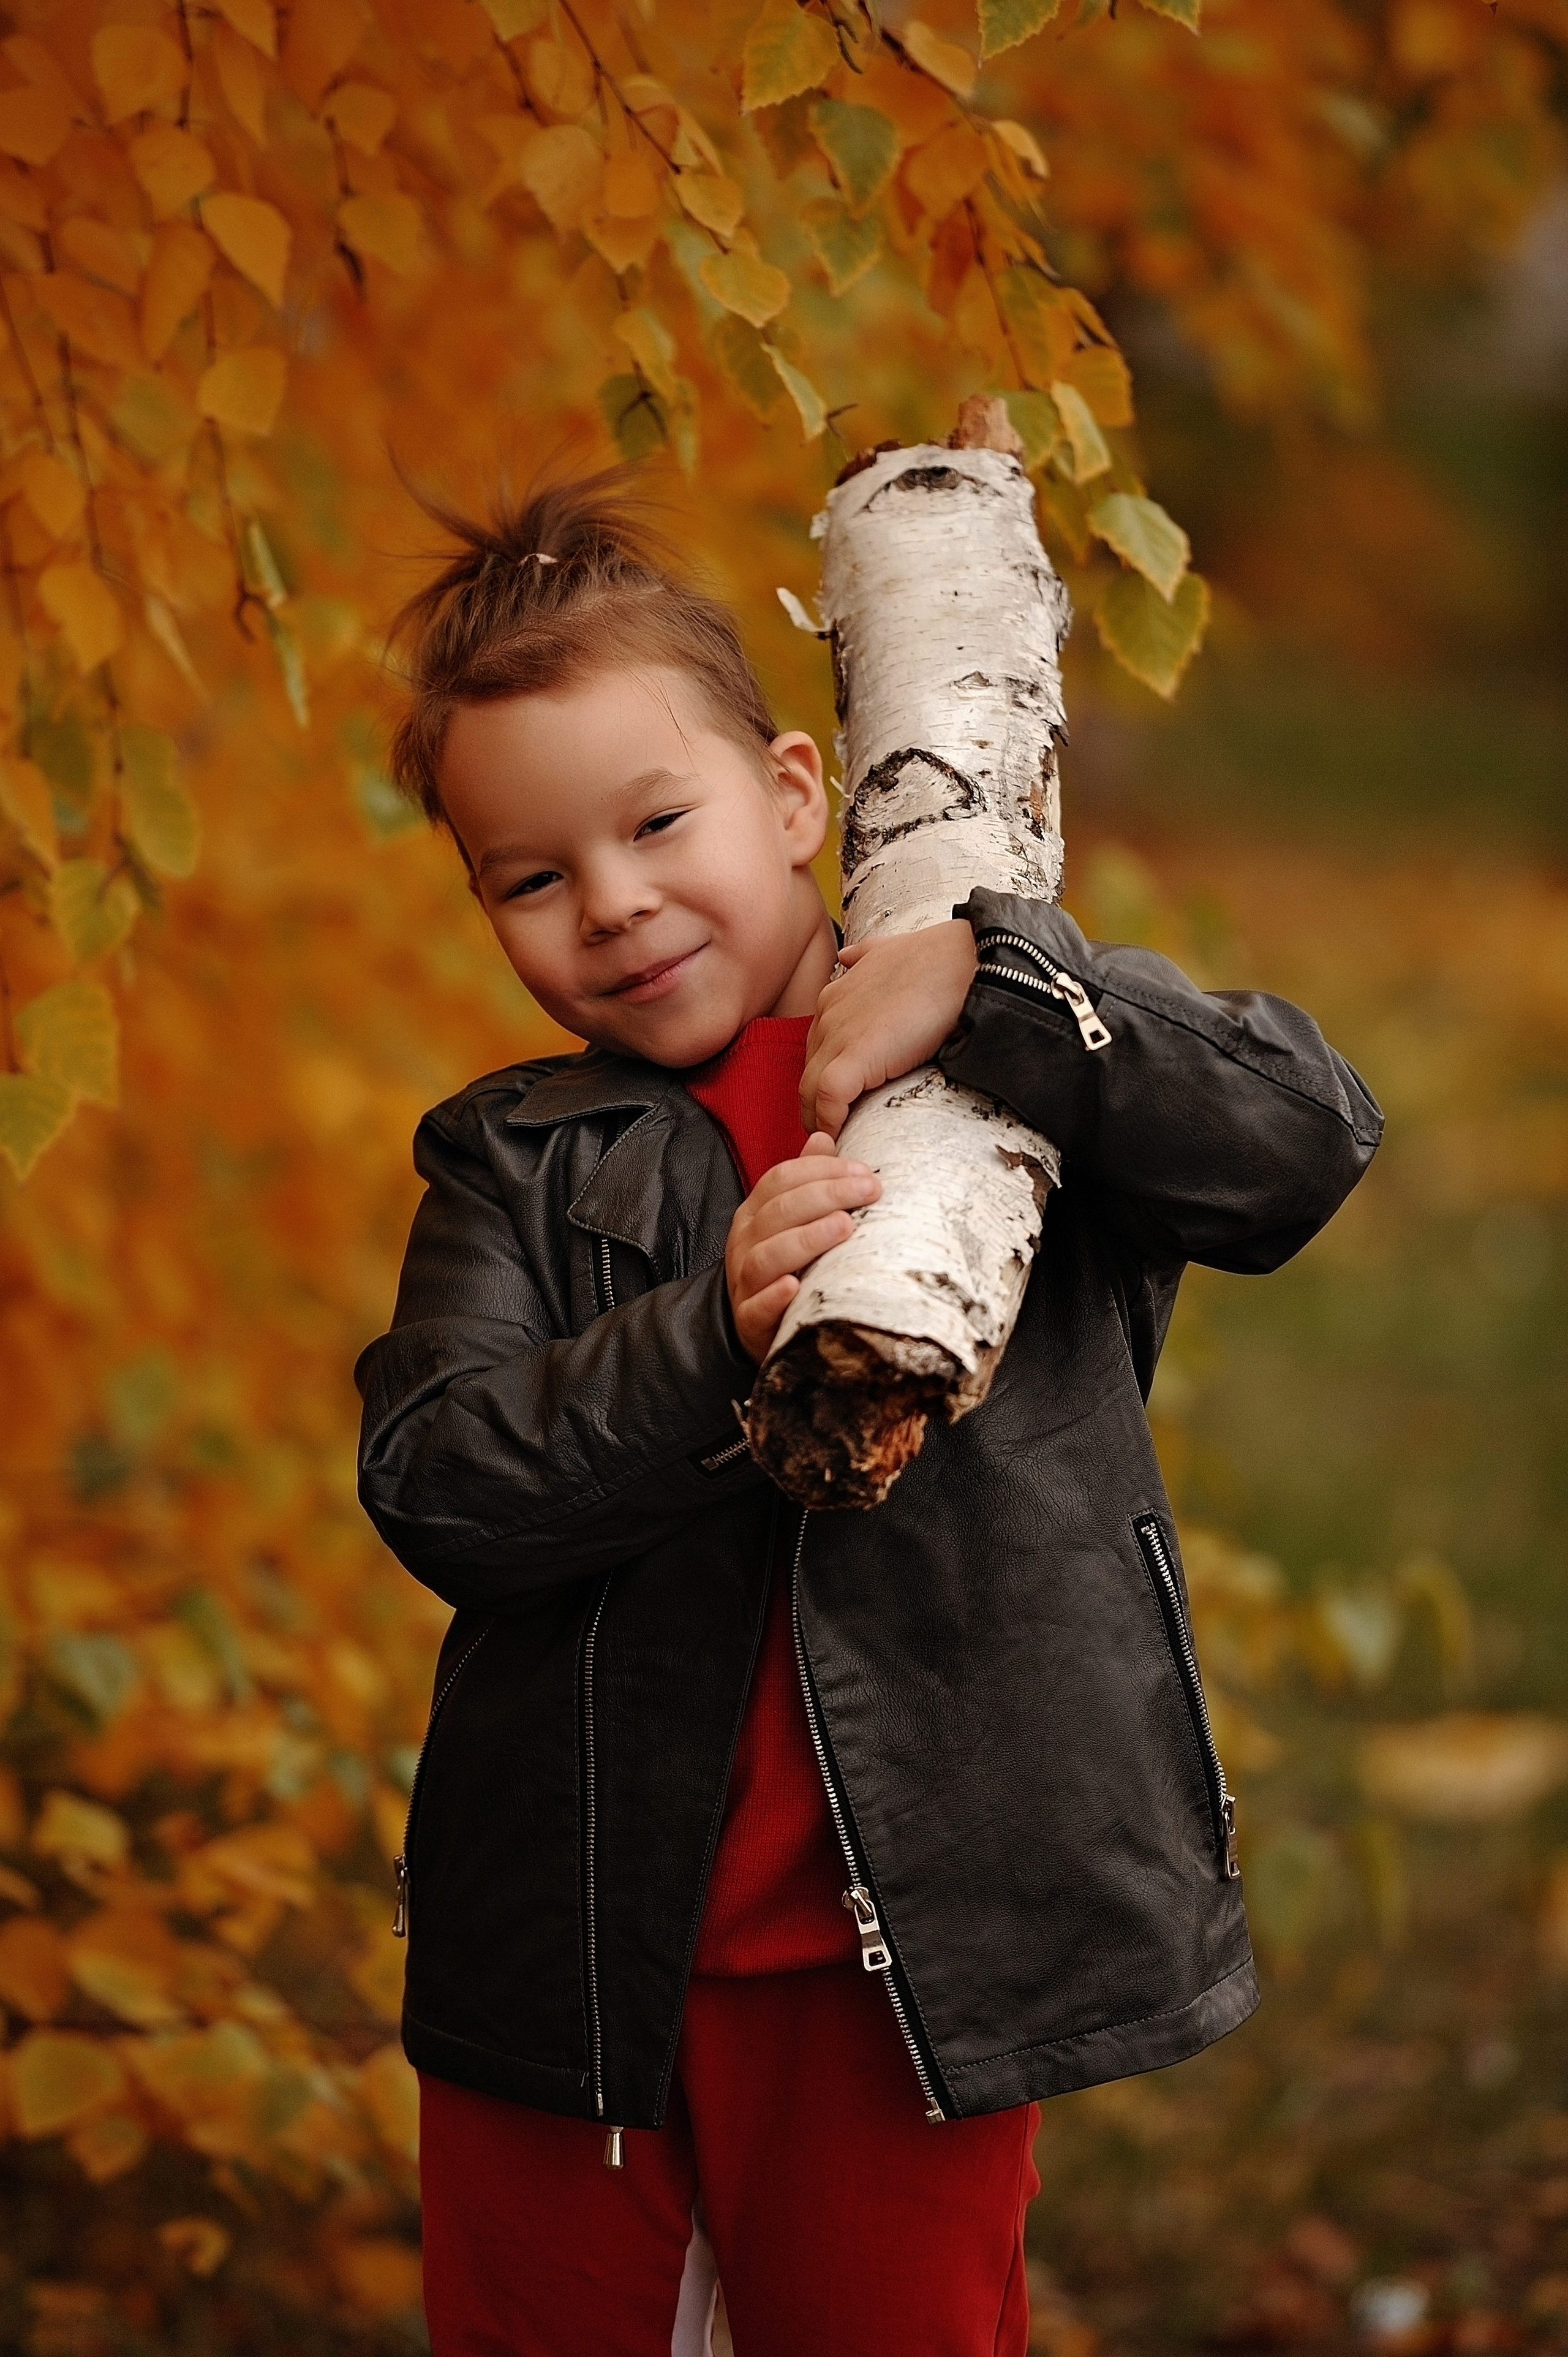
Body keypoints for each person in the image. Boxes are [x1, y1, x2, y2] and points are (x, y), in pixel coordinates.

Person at [355, 468, 1384, 2357]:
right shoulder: (514, 1155)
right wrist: (699, 1342)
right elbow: (441, 1481)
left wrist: (1012, 991)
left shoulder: (1002, 1068)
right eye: (531, 875)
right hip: (573, 1969)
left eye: (659, 821)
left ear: (800, 795)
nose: (615, 903)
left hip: (900, 1978)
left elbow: (1302, 1142)